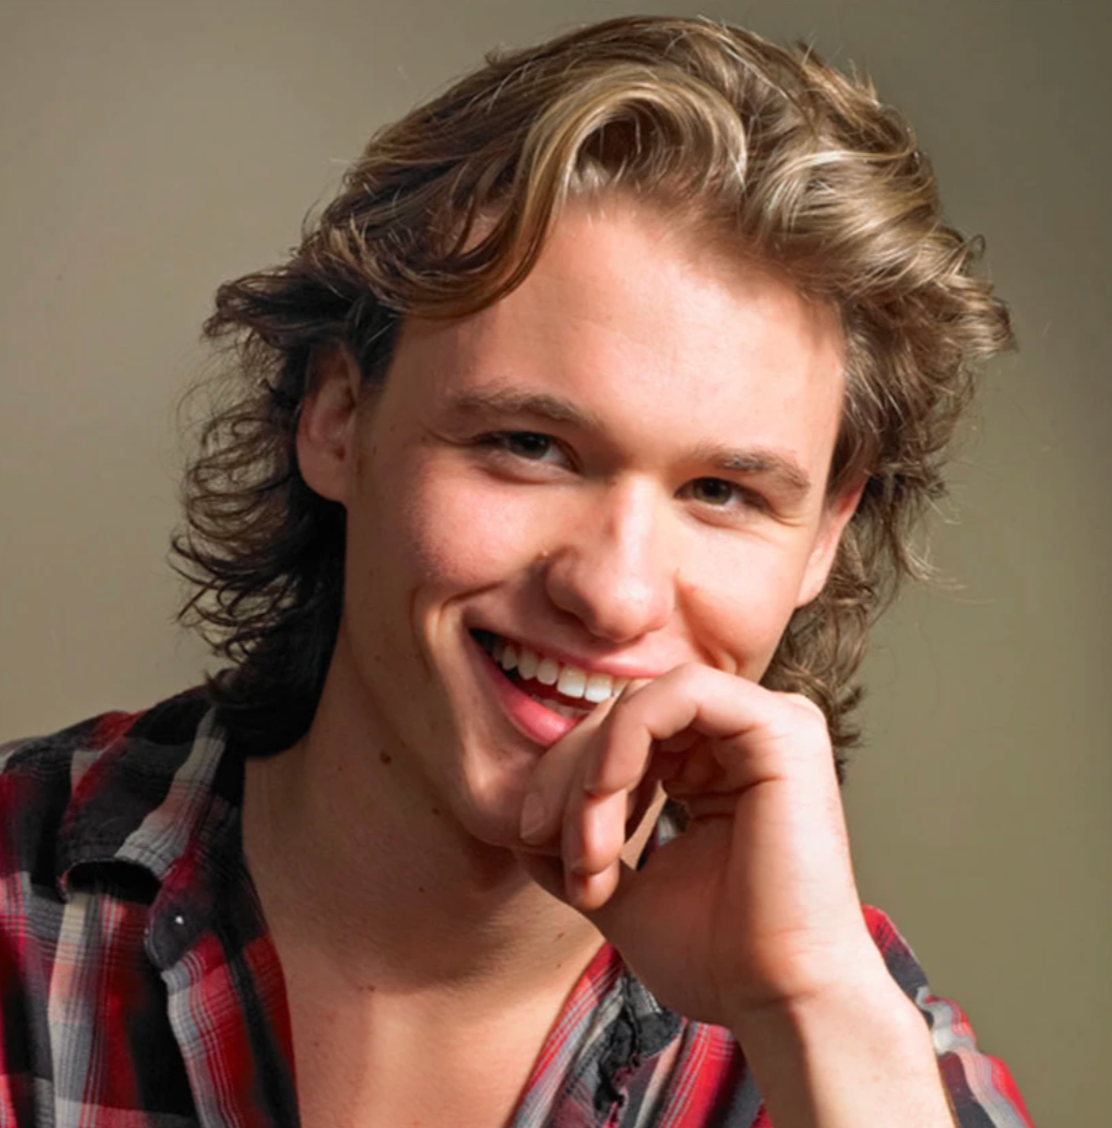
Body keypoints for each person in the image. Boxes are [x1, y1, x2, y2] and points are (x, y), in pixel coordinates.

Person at [0, 14, 1033, 1128]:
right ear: (339, 417)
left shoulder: (857, 1038)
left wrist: (811, 1015)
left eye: (722, 494)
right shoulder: (18, 902)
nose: (615, 593)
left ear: (823, 533)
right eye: (529, 447)